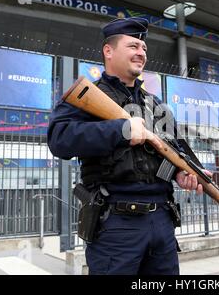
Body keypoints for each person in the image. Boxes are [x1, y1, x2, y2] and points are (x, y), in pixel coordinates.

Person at [48, 17, 209, 275]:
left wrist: (183, 173)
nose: (141, 53)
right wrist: (121, 130)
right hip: (116, 225)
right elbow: (59, 138)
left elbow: (175, 151)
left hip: (163, 222)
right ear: (108, 51)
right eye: (133, 46)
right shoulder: (88, 95)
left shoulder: (156, 105)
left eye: (144, 48)